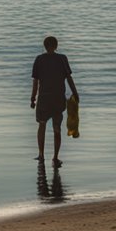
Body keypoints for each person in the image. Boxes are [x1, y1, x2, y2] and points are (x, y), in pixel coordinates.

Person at [30, 36, 78, 167]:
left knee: (42, 125)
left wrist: (32, 98)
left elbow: (36, 82)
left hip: (44, 99)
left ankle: (41, 155)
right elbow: (69, 78)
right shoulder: (62, 59)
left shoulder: (39, 60)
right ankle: (55, 157)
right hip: (58, 99)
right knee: (57, 129)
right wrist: (75, 93)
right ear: (56, 46)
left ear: (44, 46)